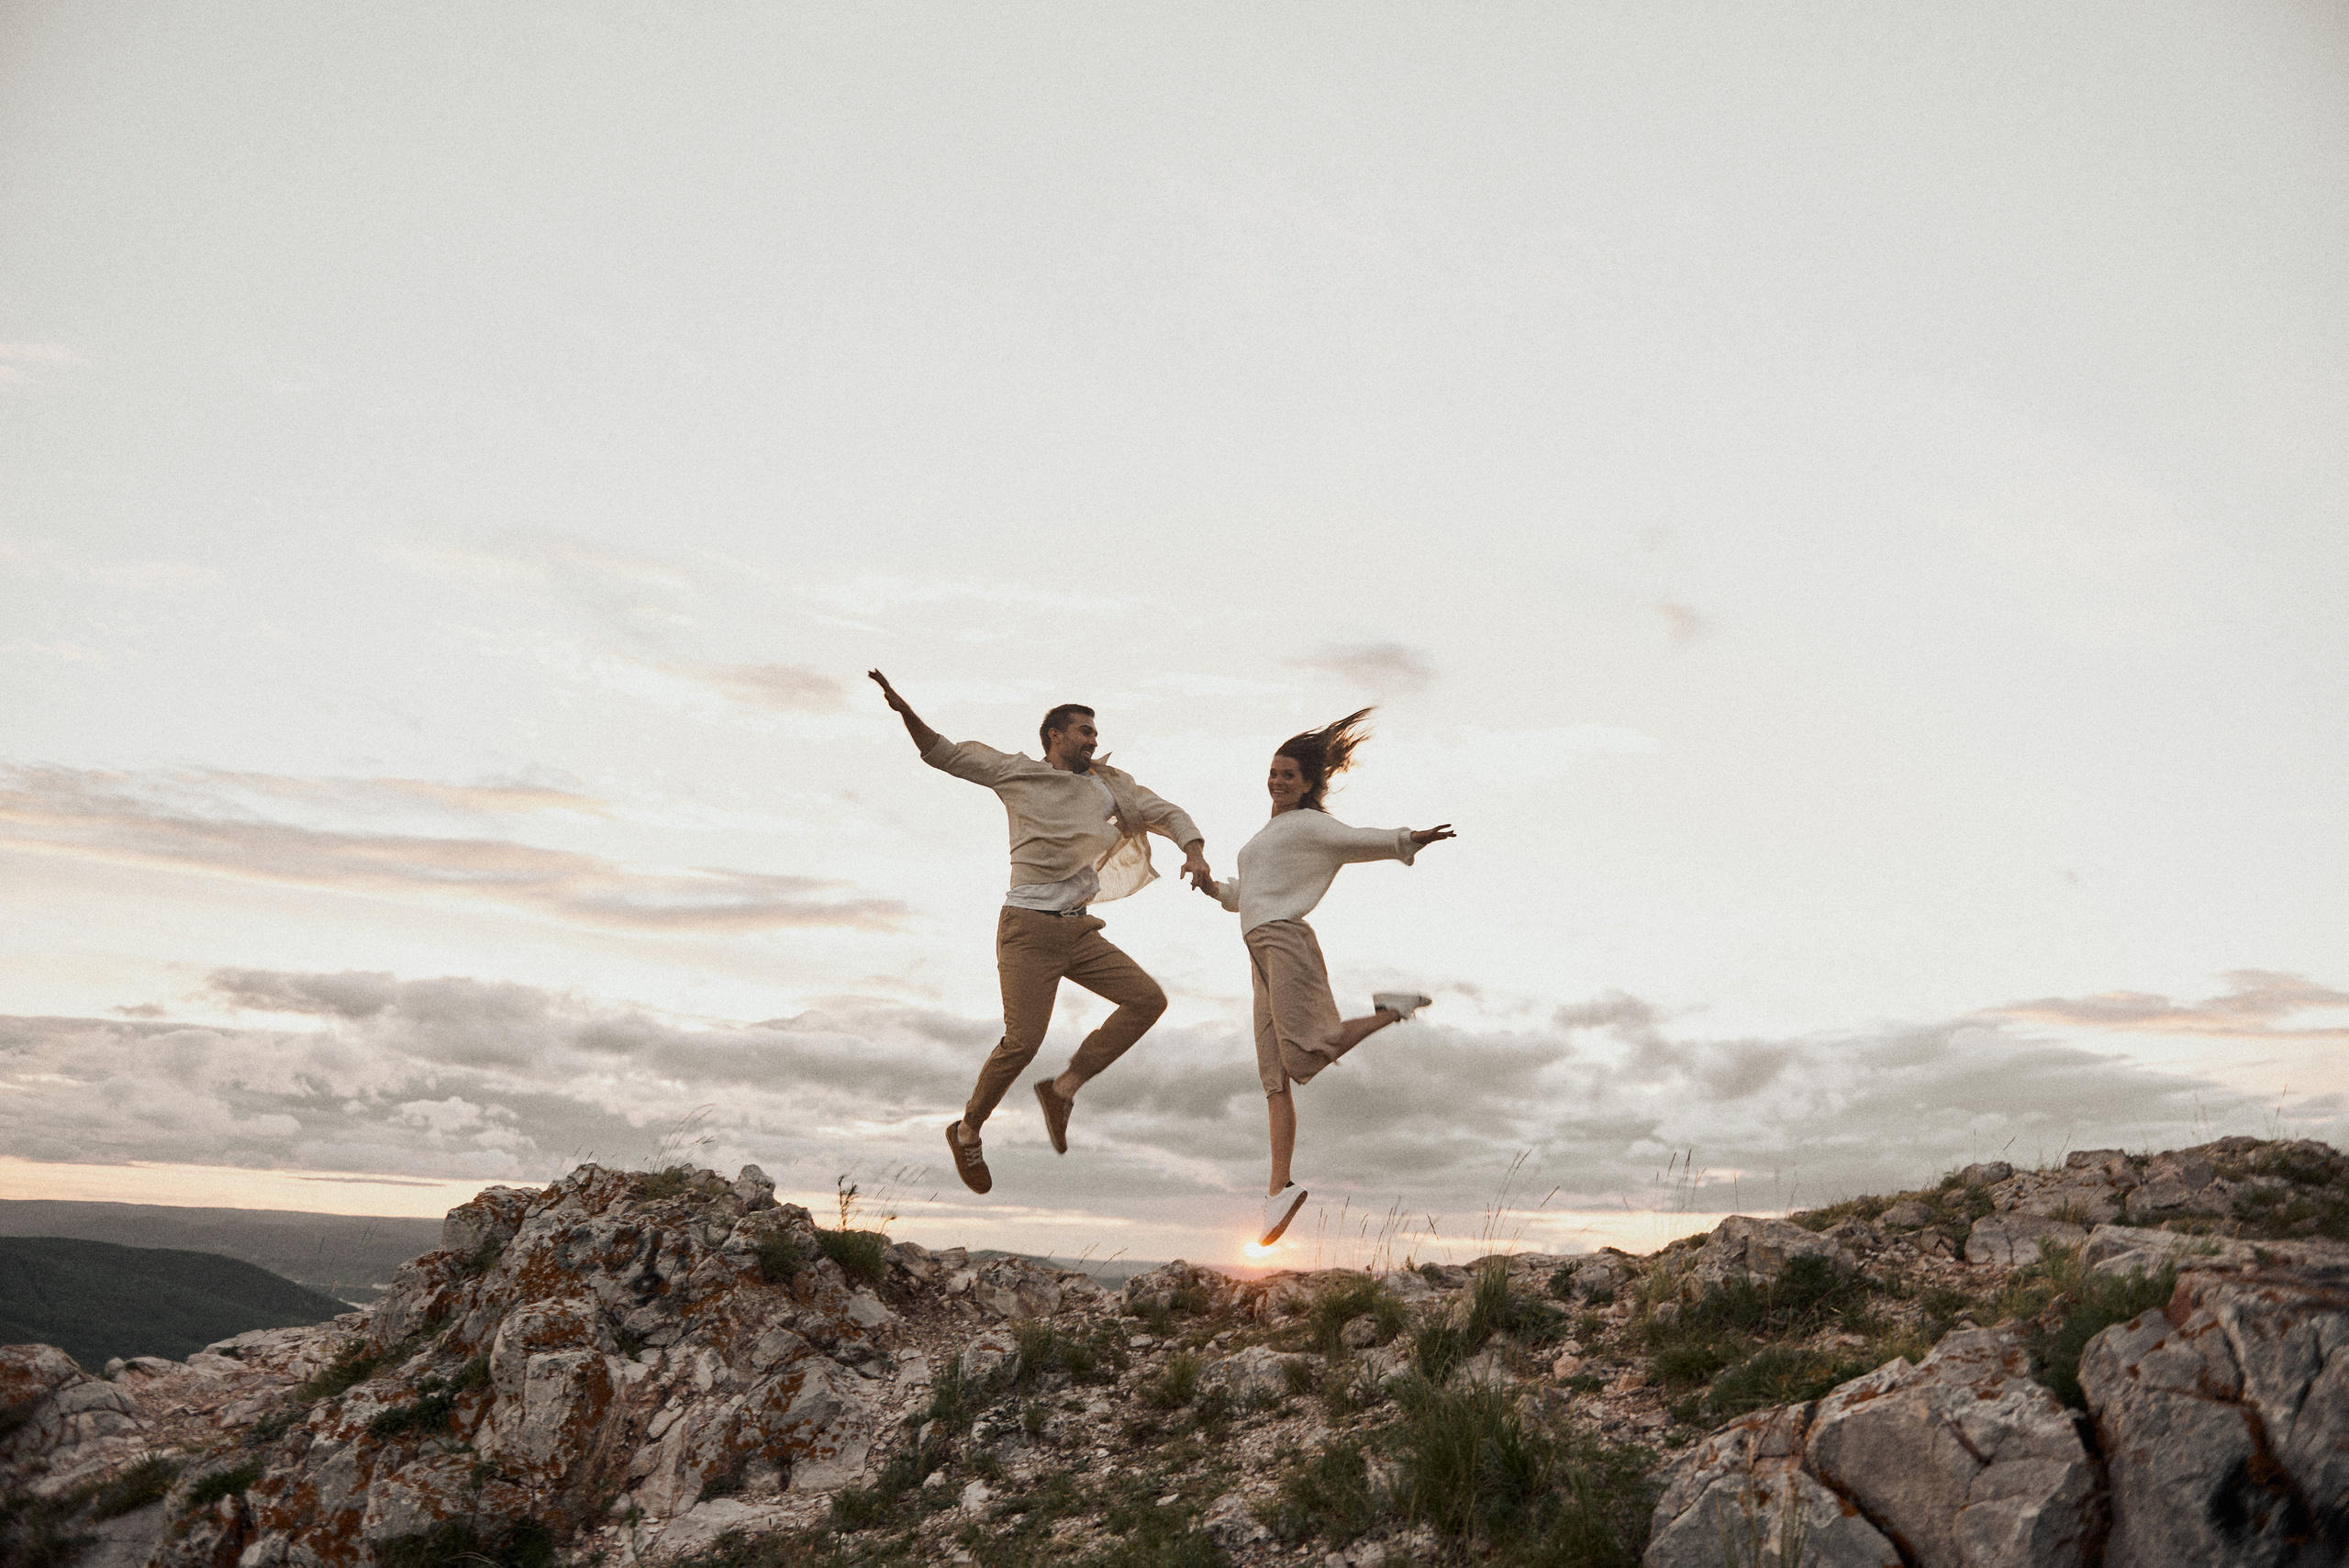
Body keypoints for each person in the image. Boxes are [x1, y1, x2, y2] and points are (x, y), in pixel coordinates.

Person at [869, 670, 1213, 1195]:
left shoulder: (1110, 786)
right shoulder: (1018, 774)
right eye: (1083, 731)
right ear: (1055, 735)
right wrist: (904, 710)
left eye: (1095, 733)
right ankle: (967, 1131)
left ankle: (1063, 1089)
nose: (1093, 740)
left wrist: (1194, 850)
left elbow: (1166, 813)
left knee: (1147, 1001)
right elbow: (944, 754)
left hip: (1079, 932)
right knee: (1022, 1043)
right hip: (1027, 930)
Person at [1200, 708, 1454, 1246]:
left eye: (1288, 775)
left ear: (1308, 784)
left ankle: (1392, 1010)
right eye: (1273, 773)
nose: (1277, 781)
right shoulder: (1268, 834)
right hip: (1258, 949)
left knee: (1305, 1054)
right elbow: (1251, 894)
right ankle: (1279, 1191)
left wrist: (1409, 838)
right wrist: (1214, 888)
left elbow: (1359, 840)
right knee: (1274, 1077)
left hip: (1284, 941)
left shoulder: (1313, 826)